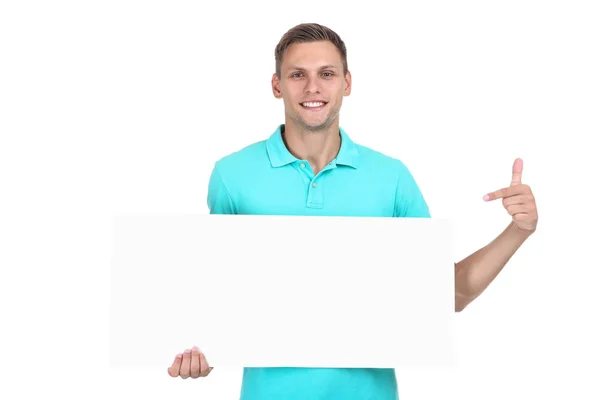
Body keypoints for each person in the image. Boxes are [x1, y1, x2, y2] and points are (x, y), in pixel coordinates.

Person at [166, 22, 538, 399]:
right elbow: (216, 303)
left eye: (326, 74)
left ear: (346, 83)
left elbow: (447, 295)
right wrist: (199, 350)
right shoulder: (232, 175)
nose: (313, 88)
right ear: (277, 85)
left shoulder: (391, 178)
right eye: (298, 75)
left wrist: (518, 230)